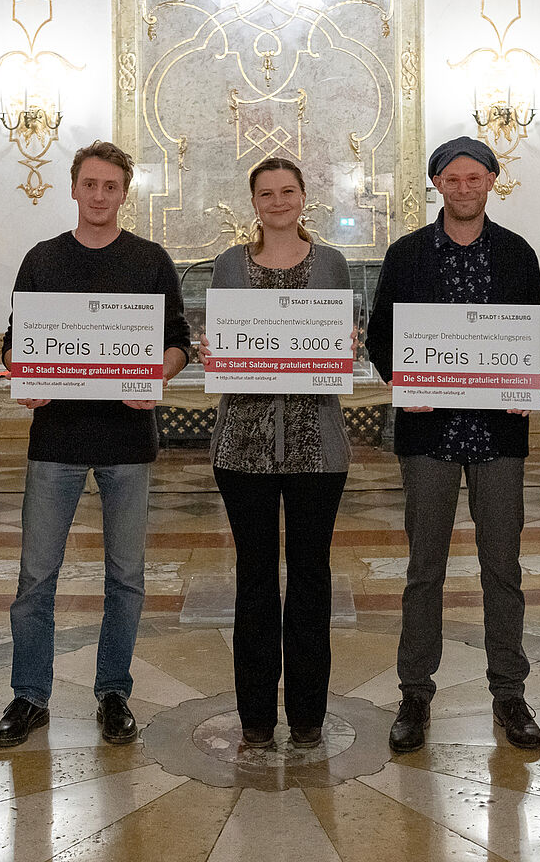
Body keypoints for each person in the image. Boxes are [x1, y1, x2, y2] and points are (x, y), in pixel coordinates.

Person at [0, 141, 192, 748]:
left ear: (123, 193)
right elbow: (13, 341)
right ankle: (30, 695)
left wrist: (158, 373)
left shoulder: (151, 260)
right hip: (55, 439)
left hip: (128, 441)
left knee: (126, 578)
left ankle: (113, 691)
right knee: (35, 578)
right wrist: (20, 374)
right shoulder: (43, 259)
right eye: (91, 185)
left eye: (111, 187)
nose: (100, 196)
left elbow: (179, 340)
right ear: (73, 188)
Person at [365, 136, 540, 753]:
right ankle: (414, 692)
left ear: (492, 181)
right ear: (437, 184)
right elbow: (380, 336)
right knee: (425, 568)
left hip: (498, 433)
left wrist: (523, 377)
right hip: (428, 433)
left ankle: (509, 690)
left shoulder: (518, 254)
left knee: (504, 566)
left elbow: (535, 338)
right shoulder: (407, 252)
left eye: (475, 177)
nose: (464, 187)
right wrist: (402, 380)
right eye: (452, 178)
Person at [200, 157, 351, 749]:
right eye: (267, 193)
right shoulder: (229, 265)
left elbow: (338, 341)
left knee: (312, 578)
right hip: (243, 447)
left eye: (288, 191)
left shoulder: (332, 264)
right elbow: (223, 338)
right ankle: (257, 718)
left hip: (318, 446)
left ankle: (309, 715)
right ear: (254, 202)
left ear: (303, 198)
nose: (279, 201)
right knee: (255, 581)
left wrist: (342, 344)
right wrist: (221, 347)